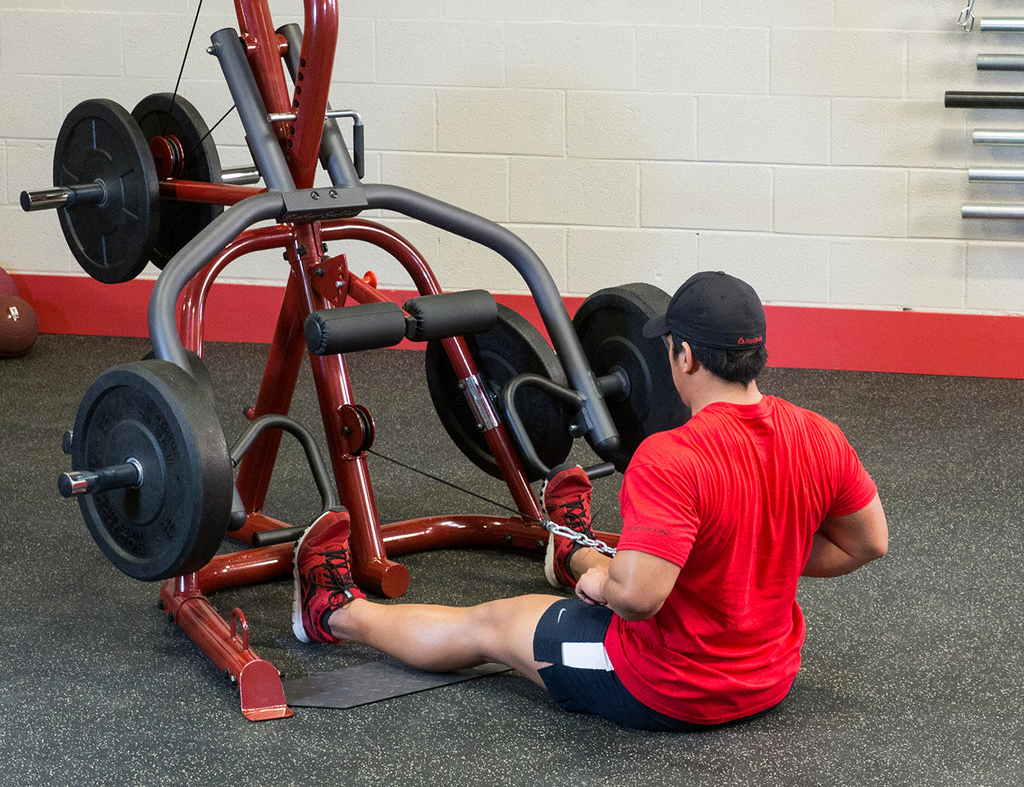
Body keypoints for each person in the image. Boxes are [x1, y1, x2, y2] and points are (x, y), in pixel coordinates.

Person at [290, 270, 889, 730]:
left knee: (494, 623)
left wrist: (604, 586)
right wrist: (757, 554)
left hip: (665, 687)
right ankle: (567, 547)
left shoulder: (671, 456)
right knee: (646, 561)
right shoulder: (818, 433)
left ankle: (332, 612)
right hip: (769, 678)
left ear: (683, 356)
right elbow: (870, 542)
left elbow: (637, 601)